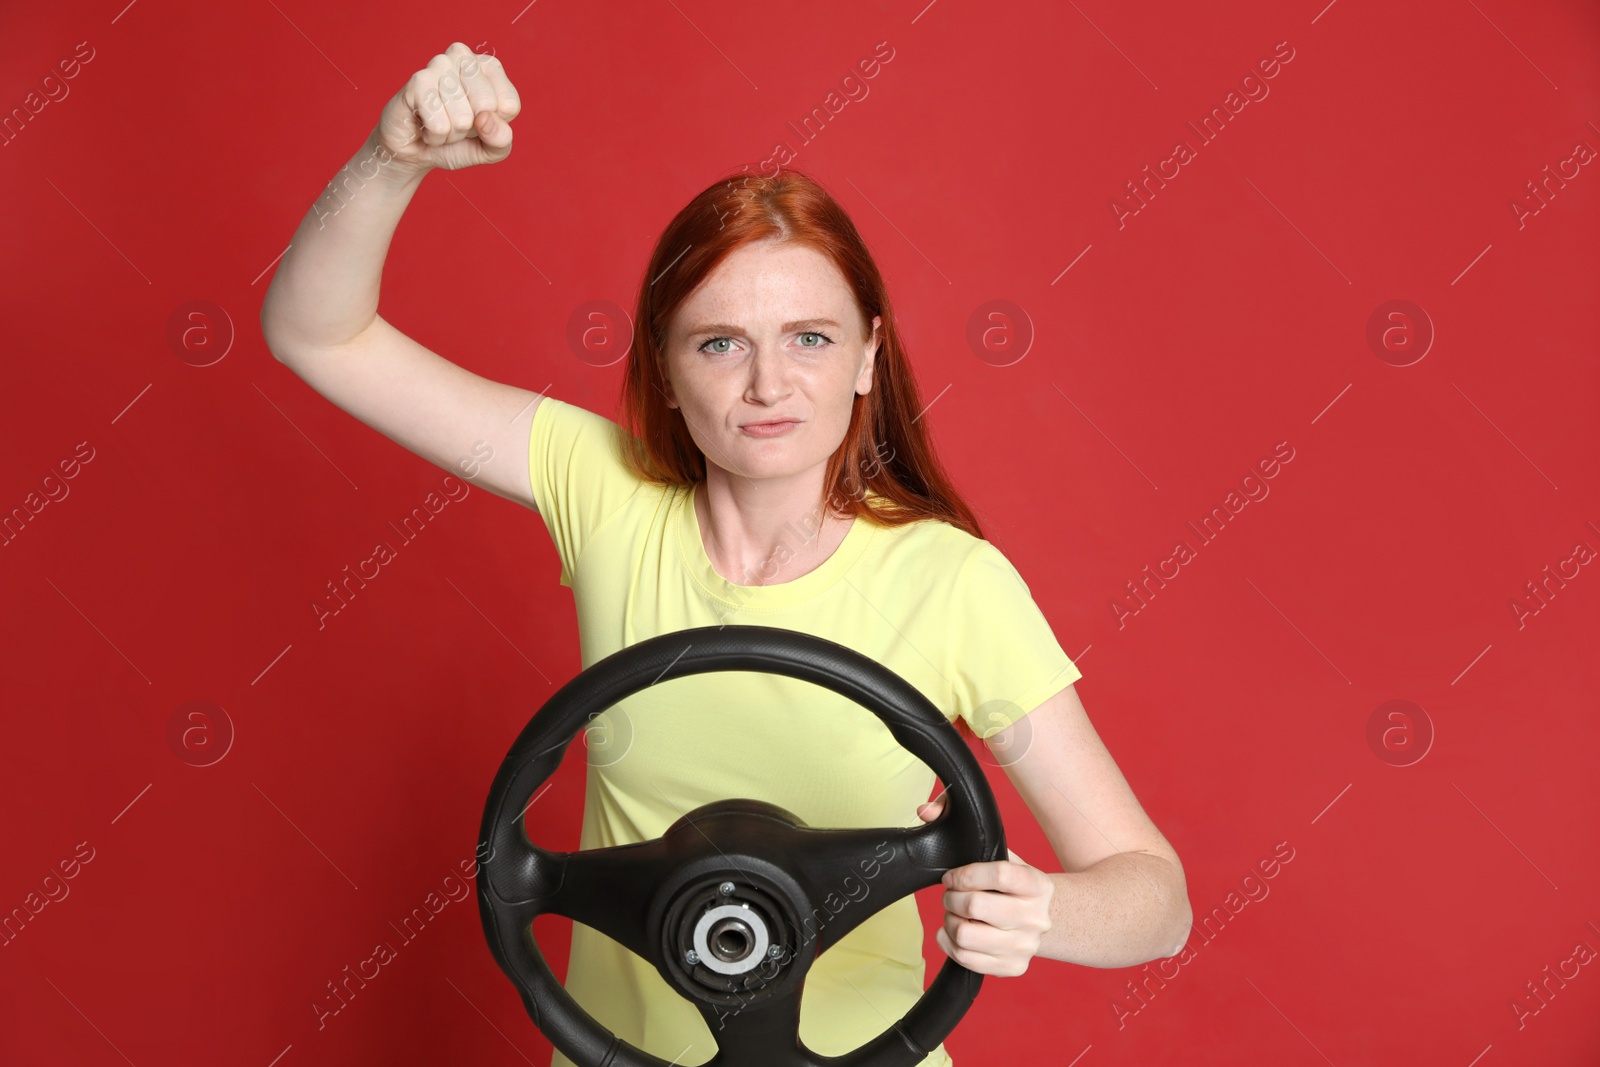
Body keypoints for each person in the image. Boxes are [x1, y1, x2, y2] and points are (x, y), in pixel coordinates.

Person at [261, 42, 1192, 1067]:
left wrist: (1047, 910)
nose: (766, 385)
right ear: (661, 367)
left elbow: (1154, 896)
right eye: (718, 343)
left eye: (808, 338)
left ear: (867, 355)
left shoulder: (951, 582)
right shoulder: (602, 488)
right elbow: (318, 334)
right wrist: (390, 159)